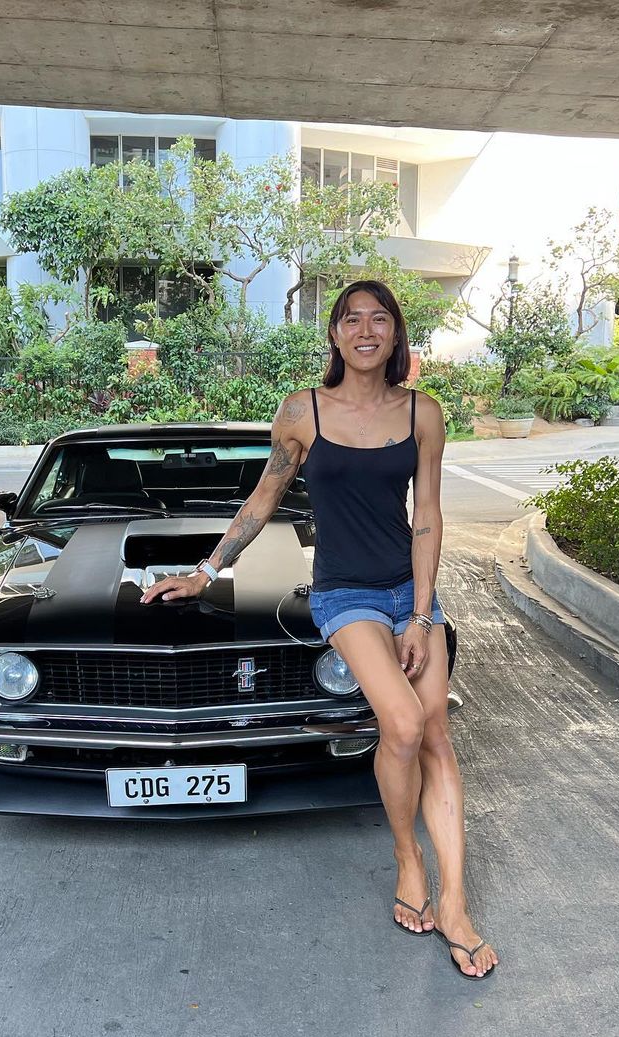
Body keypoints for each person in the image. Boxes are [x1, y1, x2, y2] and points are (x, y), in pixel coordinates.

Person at [140, 280, 498, 979]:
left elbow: (427, 515)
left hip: (410, 591)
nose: (366, 330)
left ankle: (453, 904)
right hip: (345, 594)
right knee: (398, 724)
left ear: (396, 334)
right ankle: (406, 855)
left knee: (435, 733)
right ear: (334, 334)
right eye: (351, 319)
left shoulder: (425, 413)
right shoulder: (302, 412)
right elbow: (264, 496)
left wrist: (422, 614)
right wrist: (206, 570)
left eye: (380, 319)